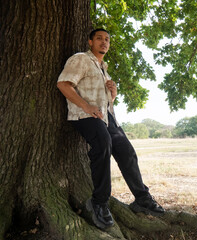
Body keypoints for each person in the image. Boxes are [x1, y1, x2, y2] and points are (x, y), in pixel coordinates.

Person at [57, 28, 165, 230]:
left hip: (106, 118)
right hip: (84, 115)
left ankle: (142, 198)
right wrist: (86, 106)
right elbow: (63, 84)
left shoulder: (103, 67)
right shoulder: (80, 59)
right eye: (99, 38)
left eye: (107, 39)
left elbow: (105, 102)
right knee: (103, 144)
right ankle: (99, 202)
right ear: (90, 42)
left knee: (127, 152)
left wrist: (112, 96)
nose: (104, 42)